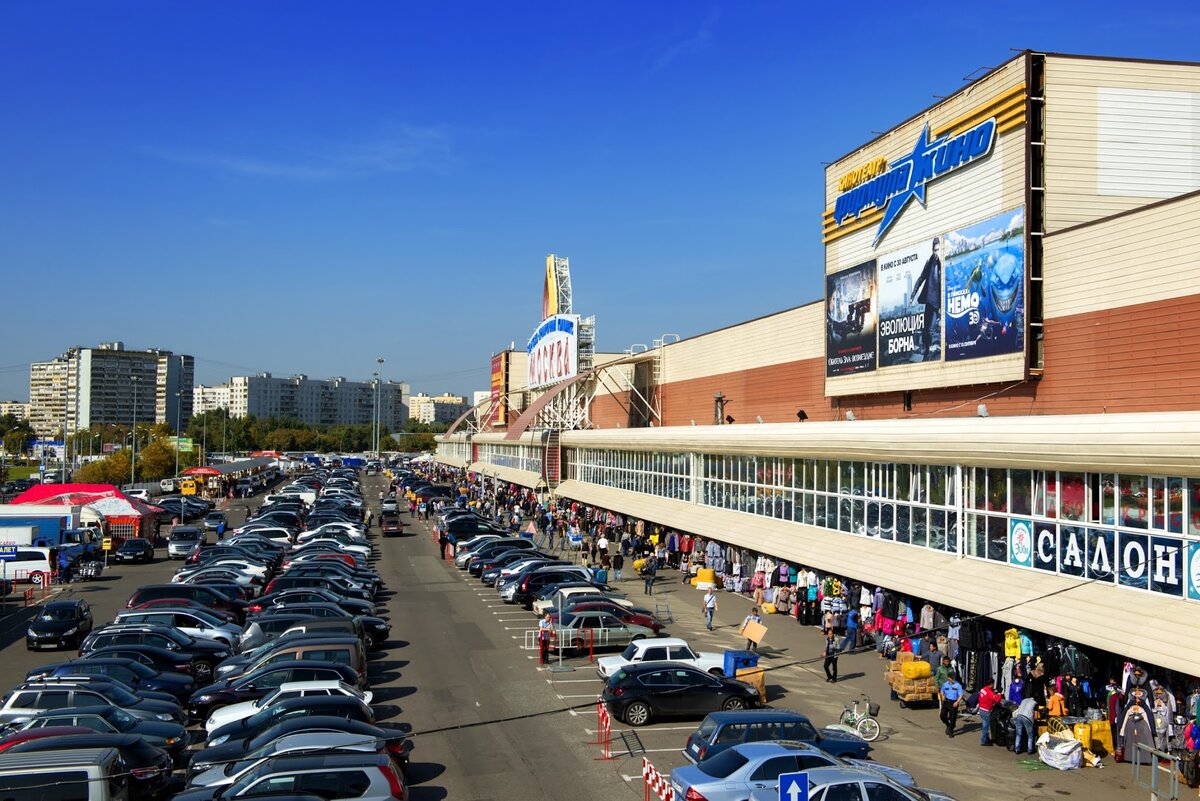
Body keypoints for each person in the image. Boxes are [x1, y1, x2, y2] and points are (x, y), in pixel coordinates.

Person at [909, 236, 942, 359]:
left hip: (938, 302)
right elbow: (921, 278)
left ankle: (931, 353)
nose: (936, 253)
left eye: (938, 250)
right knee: (926, 329)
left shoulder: (942, 263)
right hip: (929, 300)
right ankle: (926, 351)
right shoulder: (929, 262)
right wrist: (912, 296)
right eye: (934, 250)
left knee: (932, 329)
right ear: (932, 250)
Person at [977, 679, 1002, 746]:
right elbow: (997, 700)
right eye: (993, 684)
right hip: (986, 711)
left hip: (981, 709)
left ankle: (986, 739)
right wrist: (999, 693)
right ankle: (984, 741)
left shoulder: (983, 689)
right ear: (991, 684)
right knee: (985, 727)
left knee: (984, 725)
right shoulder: (989, 692)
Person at [939, 670, 964, 737]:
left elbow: (961, 695)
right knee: (942, 716)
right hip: (946, 701)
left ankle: (951, 731)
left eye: (954, 678)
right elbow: (942, 690)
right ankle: (948, 724)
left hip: (954, 702)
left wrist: (957, 702)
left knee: (952, 718)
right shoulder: (945, 684)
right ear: (948, 678)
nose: (953, 679)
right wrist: (943, 695)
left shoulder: (958, 685)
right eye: (951, 678)